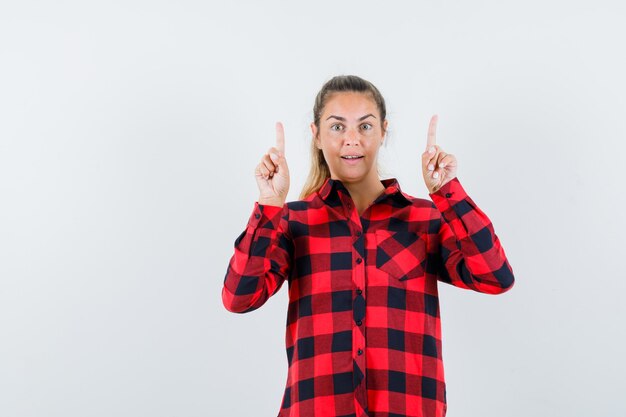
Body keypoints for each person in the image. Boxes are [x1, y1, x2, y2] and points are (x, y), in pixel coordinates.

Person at [222, 75, 515, 417]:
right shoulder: (292, 222)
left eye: (365, 126)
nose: (351, 140)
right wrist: (269, 205)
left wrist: (448, 192)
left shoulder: (424, 219)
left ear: (383, 132)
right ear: (316, 134)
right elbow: (239, 297)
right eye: (336, 127)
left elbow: (496, 277)